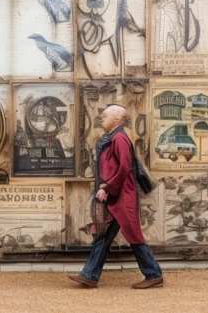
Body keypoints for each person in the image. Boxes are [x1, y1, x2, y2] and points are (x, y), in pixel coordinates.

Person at [68, 104, 163, 289]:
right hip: (116, 197)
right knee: (103, 236)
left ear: (117, 119)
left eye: (104, 117)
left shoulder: (119, 138)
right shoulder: (113, 138)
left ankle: (154, 274)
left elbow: (125, 167)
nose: (101, 120)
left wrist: (108, 187)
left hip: (122, 197)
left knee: (134, 236)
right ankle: (89, 275)